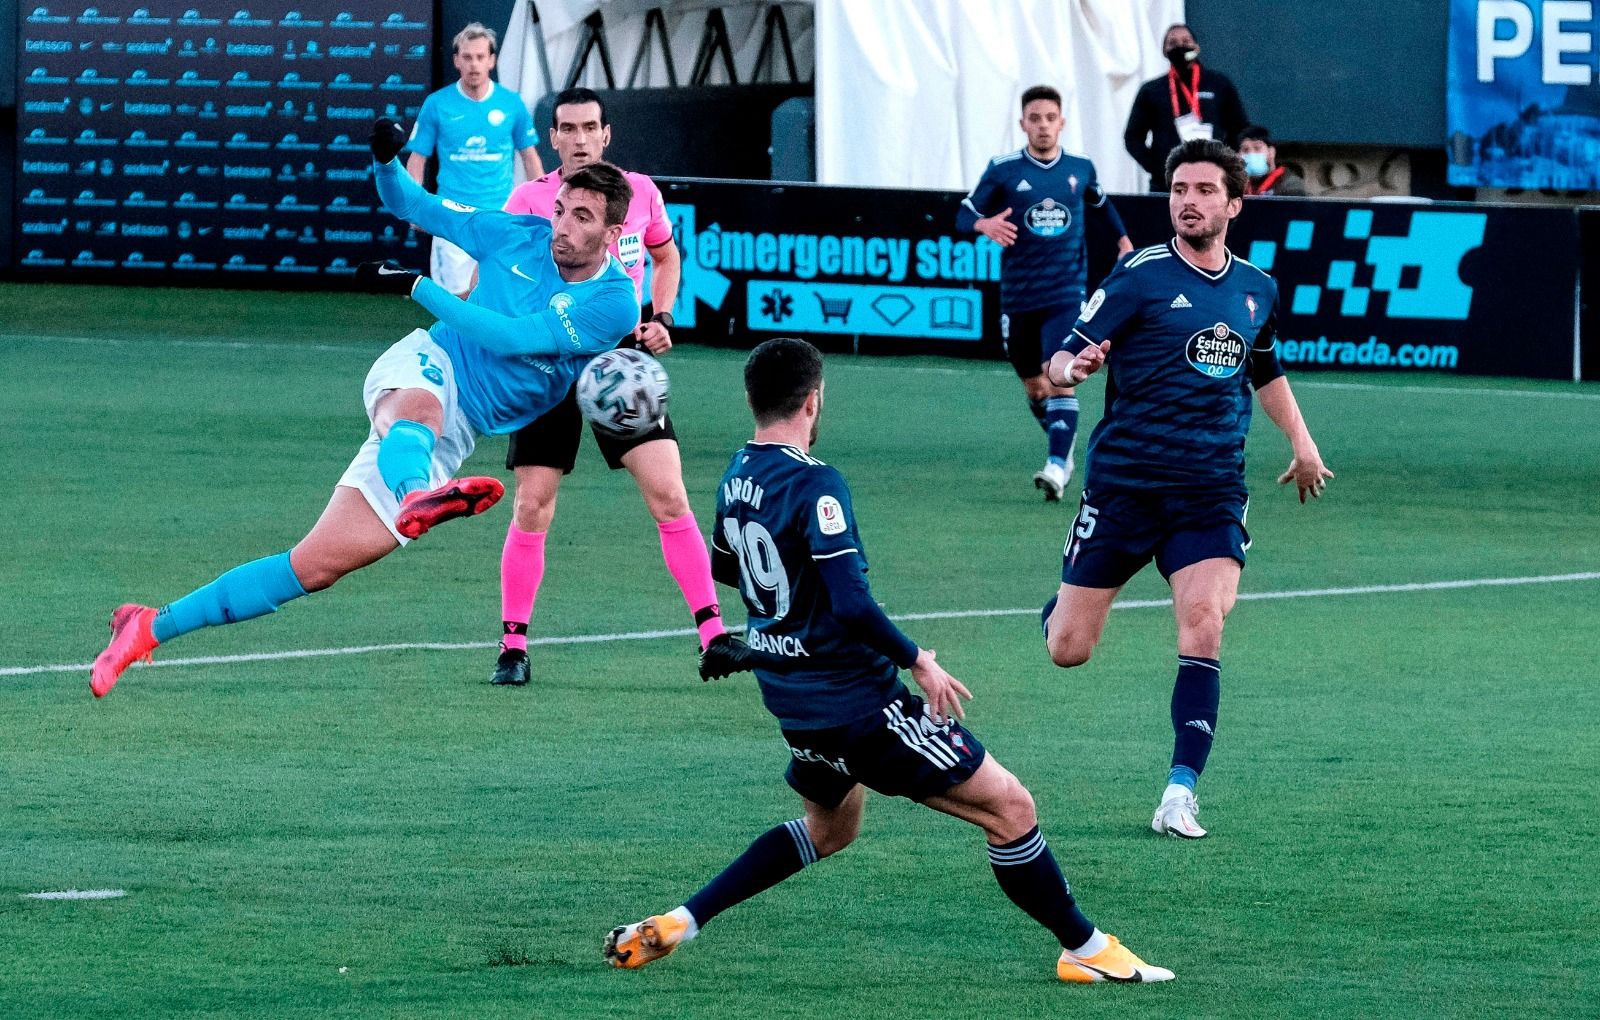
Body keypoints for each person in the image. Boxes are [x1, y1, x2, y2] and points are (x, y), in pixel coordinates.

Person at [601, 337, 1174, 985]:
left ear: (752, 400)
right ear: (813, 400)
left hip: (794, 704)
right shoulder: (816, 482)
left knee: (829, 830)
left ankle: (683, 919)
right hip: (862, 706)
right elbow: (849, 602)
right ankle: (1087, 950)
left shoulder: (738, 474)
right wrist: (917, 661)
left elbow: (726, 568)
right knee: (1010, 808)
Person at [88, 120, 638, 698]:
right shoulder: (514, 235)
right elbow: (415, 205)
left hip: (462, 430)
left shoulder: (613, 302)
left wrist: (418, 285)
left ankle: (147, 626)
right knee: (415, 414)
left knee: (312, 568)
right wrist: (384, 161)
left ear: (612, 231)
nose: (562, 227)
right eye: (560, 210)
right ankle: (414, 497)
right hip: (430, 364)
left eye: (582, 218)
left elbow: (509, 338)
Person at [1040, 139, 1333, 838]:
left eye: (1204, 190)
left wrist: (1302, 440)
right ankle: (1060, 604)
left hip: (1209, 492)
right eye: (1178, 189)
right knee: (1068, 648)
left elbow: (1263, 368)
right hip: (1125, 489)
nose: (1188, 202)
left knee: (1204, 620)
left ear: (1234, 203)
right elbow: (1063, 351)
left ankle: (1179, 790)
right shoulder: (1139, 276)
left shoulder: (1257, 287)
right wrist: (1067, 371)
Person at [483, 86, 741, 689]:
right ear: (552, 138)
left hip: (621, 365)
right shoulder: (529, 199)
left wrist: (663, 317)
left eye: (588, 127)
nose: (578, 139)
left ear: (607, 135)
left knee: (670, 496)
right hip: (548, 362)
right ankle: (513, 647)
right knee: (532, 503)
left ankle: (714, 637)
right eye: (566, 128)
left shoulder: (640, 193)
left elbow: (667, 257)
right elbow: (495, 275)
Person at [957, 85, 1133, 502]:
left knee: (1058, 374)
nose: (1042, 126)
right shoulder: (1002, 170)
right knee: (1035, 387)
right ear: (1022, 124)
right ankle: (1064, 450)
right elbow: (964, 214)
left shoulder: (1080, 168)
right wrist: (984, 225)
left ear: (1062, 122)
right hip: (1019, 296)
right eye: (1034, 119)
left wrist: (1124, 241)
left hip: (1065, 292)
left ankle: (1056, 465)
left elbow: (1102, 205)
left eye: (1049, 118)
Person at [406, 23, 543, 297]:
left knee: (499, 297)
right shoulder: (437, 103)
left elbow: (530, 158)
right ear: (457, 60)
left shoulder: (511, 103)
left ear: (492, 60)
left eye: (481, 56)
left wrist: (540, 206)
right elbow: (417, 159)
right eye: (467, 57)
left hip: (502, 217)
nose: (474, 64)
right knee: (455, 299)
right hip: (452, 217)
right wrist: (414, 207)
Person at [1123, 24, 1248, 192]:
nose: (1180, 46)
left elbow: (1239, 129)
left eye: (1186, 41)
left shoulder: (1219, 84)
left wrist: (1224, 162)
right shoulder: (1151, 90)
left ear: (1197, 47)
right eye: (1172, 43)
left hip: (1212, 179)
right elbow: (1132, 137)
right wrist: (1157, 166)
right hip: (1166, 183)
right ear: (1164, 51)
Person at [1239, 125, 1307, 196]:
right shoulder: (1236, 185)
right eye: (1245, 150)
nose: (1251, 154)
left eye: (1257, 148)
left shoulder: (1291, 185)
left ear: (1271, 152)